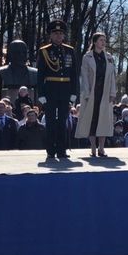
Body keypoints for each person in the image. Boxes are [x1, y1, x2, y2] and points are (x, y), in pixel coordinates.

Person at [37, 19, 78, 159]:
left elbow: (74, 73)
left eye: (61, 33)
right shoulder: (44, 51)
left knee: (62, 121)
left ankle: (61, 149)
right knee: (50, 120)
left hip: (65, 89)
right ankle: (50, 150)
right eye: (55, 33)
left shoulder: (70, 50)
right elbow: (40, 74)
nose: (58, 36)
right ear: (51, 35)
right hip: (50, 89)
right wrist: (41, 92)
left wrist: (74, 92)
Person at [75, 32, 116, 157]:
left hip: (105, 92)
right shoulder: (87, 57)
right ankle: (93, 147)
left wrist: (112, 92)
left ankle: (101, 147)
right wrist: (86, 93)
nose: (103, 42)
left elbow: (112, 77)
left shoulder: (109, 57)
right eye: (101, 40)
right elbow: (85, 76)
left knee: (103, 119)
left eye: (104, 40)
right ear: (95, 42)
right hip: (92, 92)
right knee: (92, 119)